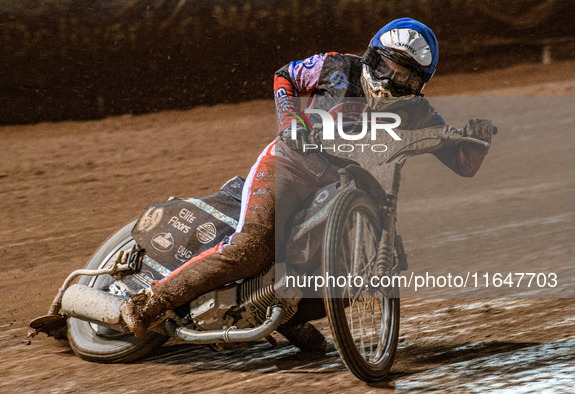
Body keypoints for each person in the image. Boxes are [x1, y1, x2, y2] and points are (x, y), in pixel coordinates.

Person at [120, 18, 496, 350]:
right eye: (387, 68)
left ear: (419, 84)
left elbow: (463, 164)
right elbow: (284, 75)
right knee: (252, 248)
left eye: (405, 77)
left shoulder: (419, 112)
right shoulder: (334, 65)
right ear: (370, 57)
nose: (391, 82)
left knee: (358, 276)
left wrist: (478, 141)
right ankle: (146, 302)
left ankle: (286, 316)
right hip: (289, 164)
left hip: (340, 192)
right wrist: (289, 119)